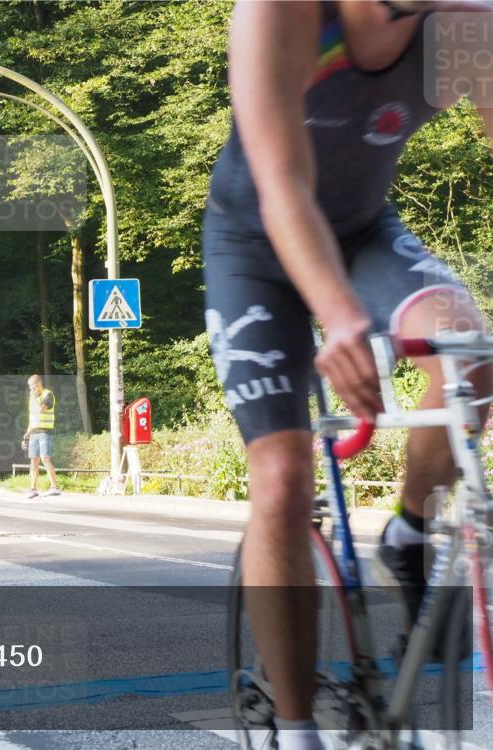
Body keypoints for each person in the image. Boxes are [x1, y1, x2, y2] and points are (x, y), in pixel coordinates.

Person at [204, 1, 492, 747]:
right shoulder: (283, 15)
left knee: (476, 353)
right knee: (282, 478)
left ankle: (410, 525)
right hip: (255, 241)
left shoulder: (465, 26)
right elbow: (283, 187)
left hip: (364, 233)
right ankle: (297, 731)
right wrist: (340, 319)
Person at [23, 375, 61, 498]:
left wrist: (33, 398)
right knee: (34, 460)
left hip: (45, 431)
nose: (30, 389)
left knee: (45, 458)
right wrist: (27, 434)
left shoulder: (47, 394)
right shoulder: (33, 397)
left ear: (38, 384)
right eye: (29, 387)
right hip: (34, 432)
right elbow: (33, 417)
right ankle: (33, 489)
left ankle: (54, 487)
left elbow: (41, 410)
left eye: (32, 386)